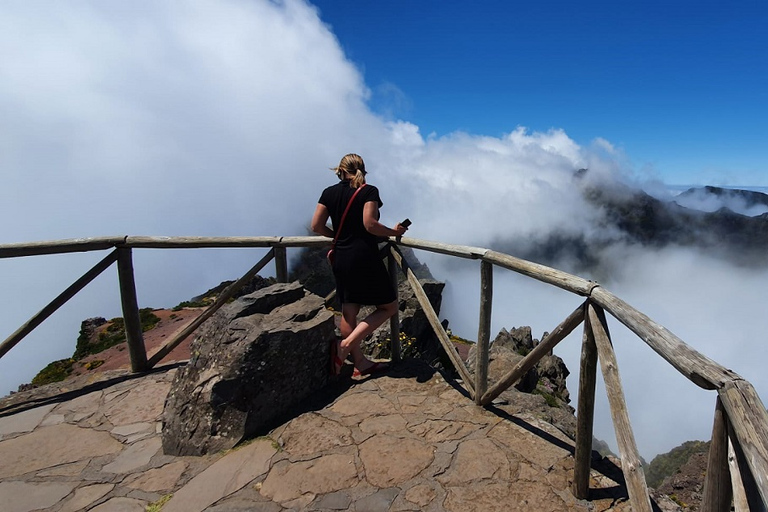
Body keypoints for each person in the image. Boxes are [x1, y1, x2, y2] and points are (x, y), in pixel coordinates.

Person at [311, 153, 408, 376]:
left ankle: (360, 363)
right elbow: (370, 224)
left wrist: (337, 236)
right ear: (363, 170)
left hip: (340, 256)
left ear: (340, 170)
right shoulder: (368, 191)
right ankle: (344, 346)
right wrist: (394, 232)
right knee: (389, 307)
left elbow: (316, 225)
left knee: (349, 311)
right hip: (363, 256)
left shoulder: (329, 192)